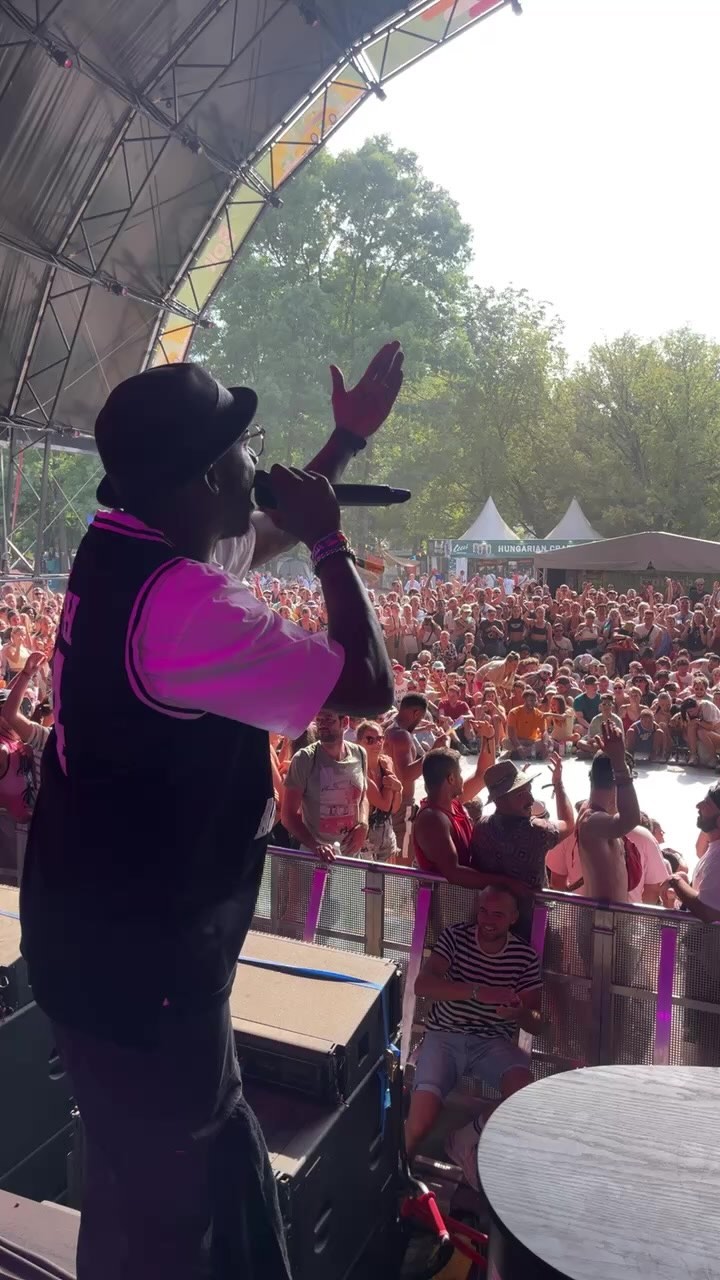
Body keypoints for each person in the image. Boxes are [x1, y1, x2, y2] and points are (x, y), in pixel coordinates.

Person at [20, 351, 400, 1280]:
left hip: (99, 942)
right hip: (143, 970)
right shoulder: (186, 610)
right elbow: (369, 686)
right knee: (170, 1220)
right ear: (203, 479)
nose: (256, 463)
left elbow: (249, 535)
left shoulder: (127, 547)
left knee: (141, 1180)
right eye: (243, 448)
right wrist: (330, 544)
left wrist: (343, 444)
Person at [404, 885, 542, 1187]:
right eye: (483, 911)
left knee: (527, 1096)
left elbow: (536, 1022)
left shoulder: (524, 956)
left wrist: (518, 1013)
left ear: (514, 918)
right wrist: (478, 992)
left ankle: (466, 1137)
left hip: (492, 1043)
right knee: (420, 1122)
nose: (488, 920)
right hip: (444, 1035)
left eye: (498, 914)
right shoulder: (456, 937)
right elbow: (422, 985)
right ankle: (396, 1176)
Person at [470, 755, 574, 934]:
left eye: (529, 790)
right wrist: (558, 784)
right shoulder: (537, 831)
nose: (531, 799)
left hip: (489, 926)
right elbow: (569, 823)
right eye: (521, 794)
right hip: (533, 925)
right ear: (500, 800)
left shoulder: (481, 827)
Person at [413, 745, 530, 898]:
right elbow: (454, 873)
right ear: (451, 779)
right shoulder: (432, 819)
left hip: (463, 898)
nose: (462, 779)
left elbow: (482, 773)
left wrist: (488, 739)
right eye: (460, 773)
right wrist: (506, 882)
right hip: (444, 903)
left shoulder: (454, 804)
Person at [281, 709, 368, 860]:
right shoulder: (304, 759)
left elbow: (364, 797)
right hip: (315, 857)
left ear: (345, 722)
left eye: (328, 719)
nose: (322, 725)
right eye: (319, 720)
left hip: (351, 857)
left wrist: (364, 824)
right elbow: (288, 816)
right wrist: (315, 845)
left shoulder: (359, 754)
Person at [575, 724, 642, 903]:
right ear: (617, 780)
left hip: (608, 916)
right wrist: (620, 766)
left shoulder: (590, 811)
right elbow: (631, 819)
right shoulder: (592, 821)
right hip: (602, 918)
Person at [384, 693, 446, 859]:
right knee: (404, 855)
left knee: (392, 852)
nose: (419, 721)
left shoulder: (390, 727)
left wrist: (422, 729)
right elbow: (406, 775)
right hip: (402, 804)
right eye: (420, 718)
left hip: (389, 801)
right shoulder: (402, 736)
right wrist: (433, 751)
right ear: (416, 713)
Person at [355, 720, 403, 861]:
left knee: (389, 875)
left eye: (380, 739)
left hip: (387, 834)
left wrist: (398, 788)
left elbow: (394, 808)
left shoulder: (385, 763)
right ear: (359, 742)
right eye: (370, 739)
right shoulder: (358, 770)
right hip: (366, 839)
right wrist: (389, 773)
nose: (377, 743)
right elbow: (385, 805)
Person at [506, 687, 549, 760]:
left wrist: (545, 744)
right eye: (531, 700)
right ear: (524, 700)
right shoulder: (513, 713)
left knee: (549, 741)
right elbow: (511, 734)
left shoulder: (539, 714)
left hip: (532, 742)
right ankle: (530, 752)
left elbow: (544, 731)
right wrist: (519, 747)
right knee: (506, 742)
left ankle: (525, 753)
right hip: (518, 741)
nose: (534, 703)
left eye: (535, 700)